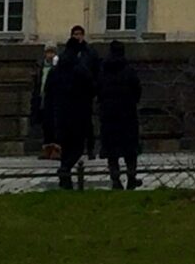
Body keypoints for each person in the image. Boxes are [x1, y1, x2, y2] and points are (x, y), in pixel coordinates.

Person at [43, 24, 97, 188]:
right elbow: (92, 88)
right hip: (78, 113)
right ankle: (65, 169)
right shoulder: (80, 70)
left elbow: (48, 92)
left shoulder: (55, 71)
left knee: (65, 146)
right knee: (77, 148)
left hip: (59, 114)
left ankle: (64, 179)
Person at [95, 40, 143, 190]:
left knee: (111, 150)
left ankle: (115, 178)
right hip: (127, 114)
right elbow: (137, 90)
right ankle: (131, 176)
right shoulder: (129, 70)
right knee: (130, 149)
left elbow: (98, 90)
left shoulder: (103, 70)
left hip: (108, 114)